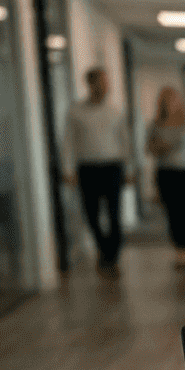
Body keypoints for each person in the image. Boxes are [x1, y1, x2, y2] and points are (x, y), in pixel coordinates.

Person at [62, 67, 132, 276]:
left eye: (107, 83)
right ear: (91, 84)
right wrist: (68, 169)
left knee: (114, 214)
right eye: (102, 82)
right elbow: (68, 142)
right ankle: (104, 248)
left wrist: (129, 169)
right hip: (87, 169)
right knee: (91, 215)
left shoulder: (116, 111)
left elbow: (125, 142)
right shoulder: (75, 111)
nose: (106, 87)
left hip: (113, 167)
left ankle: (112, 256)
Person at [145, 86, 185, 268]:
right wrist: (163, 146)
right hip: (166, 173)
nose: (170, 104)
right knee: (172, 213)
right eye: (166, 100)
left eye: (173, 99)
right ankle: (179, 251)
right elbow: (149, 150)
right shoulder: (155, 125)